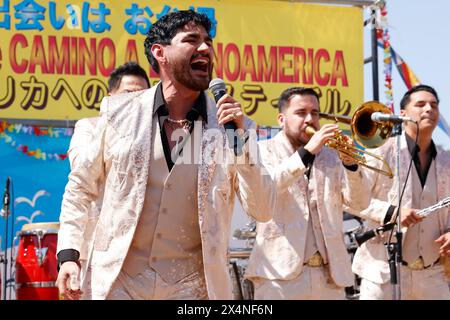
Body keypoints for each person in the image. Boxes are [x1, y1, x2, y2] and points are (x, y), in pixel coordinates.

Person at [56, 10, 274, 300]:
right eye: (192, 40)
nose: (205, 49)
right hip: (120, 281)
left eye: (209, 42)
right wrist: (69, 254)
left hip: (193, 290)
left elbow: (262, 209)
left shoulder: (231, 127)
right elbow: (80, 188)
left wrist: (241, 144)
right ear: (160, 53)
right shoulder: (118, 113)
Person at [244, 87, 371, 299]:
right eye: (301, 113)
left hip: (330, 278)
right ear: (281, 119)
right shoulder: (261, 150)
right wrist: (307, 152)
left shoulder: (333, 156)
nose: (310, 119)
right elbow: (265, 192)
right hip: (278, 277)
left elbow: (359, 204)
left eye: (315, 113)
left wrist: (351, 166)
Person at [352, 84, 450, 300]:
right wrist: (392, 213)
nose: (429, 110)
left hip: (433, 274)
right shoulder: (379, 152)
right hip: (383, 273)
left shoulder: (447, 160)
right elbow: (353, 200)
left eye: (434, 105)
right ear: (403, 114)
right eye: (421, 104)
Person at [62, 61, 150, 296]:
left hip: (143, 260)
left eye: (144, 95)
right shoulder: (89, 127)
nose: (136, 100)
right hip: (95, 255)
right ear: (110, 97)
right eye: (129, 94)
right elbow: (80, 178)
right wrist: (111, 121)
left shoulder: (156, 138)